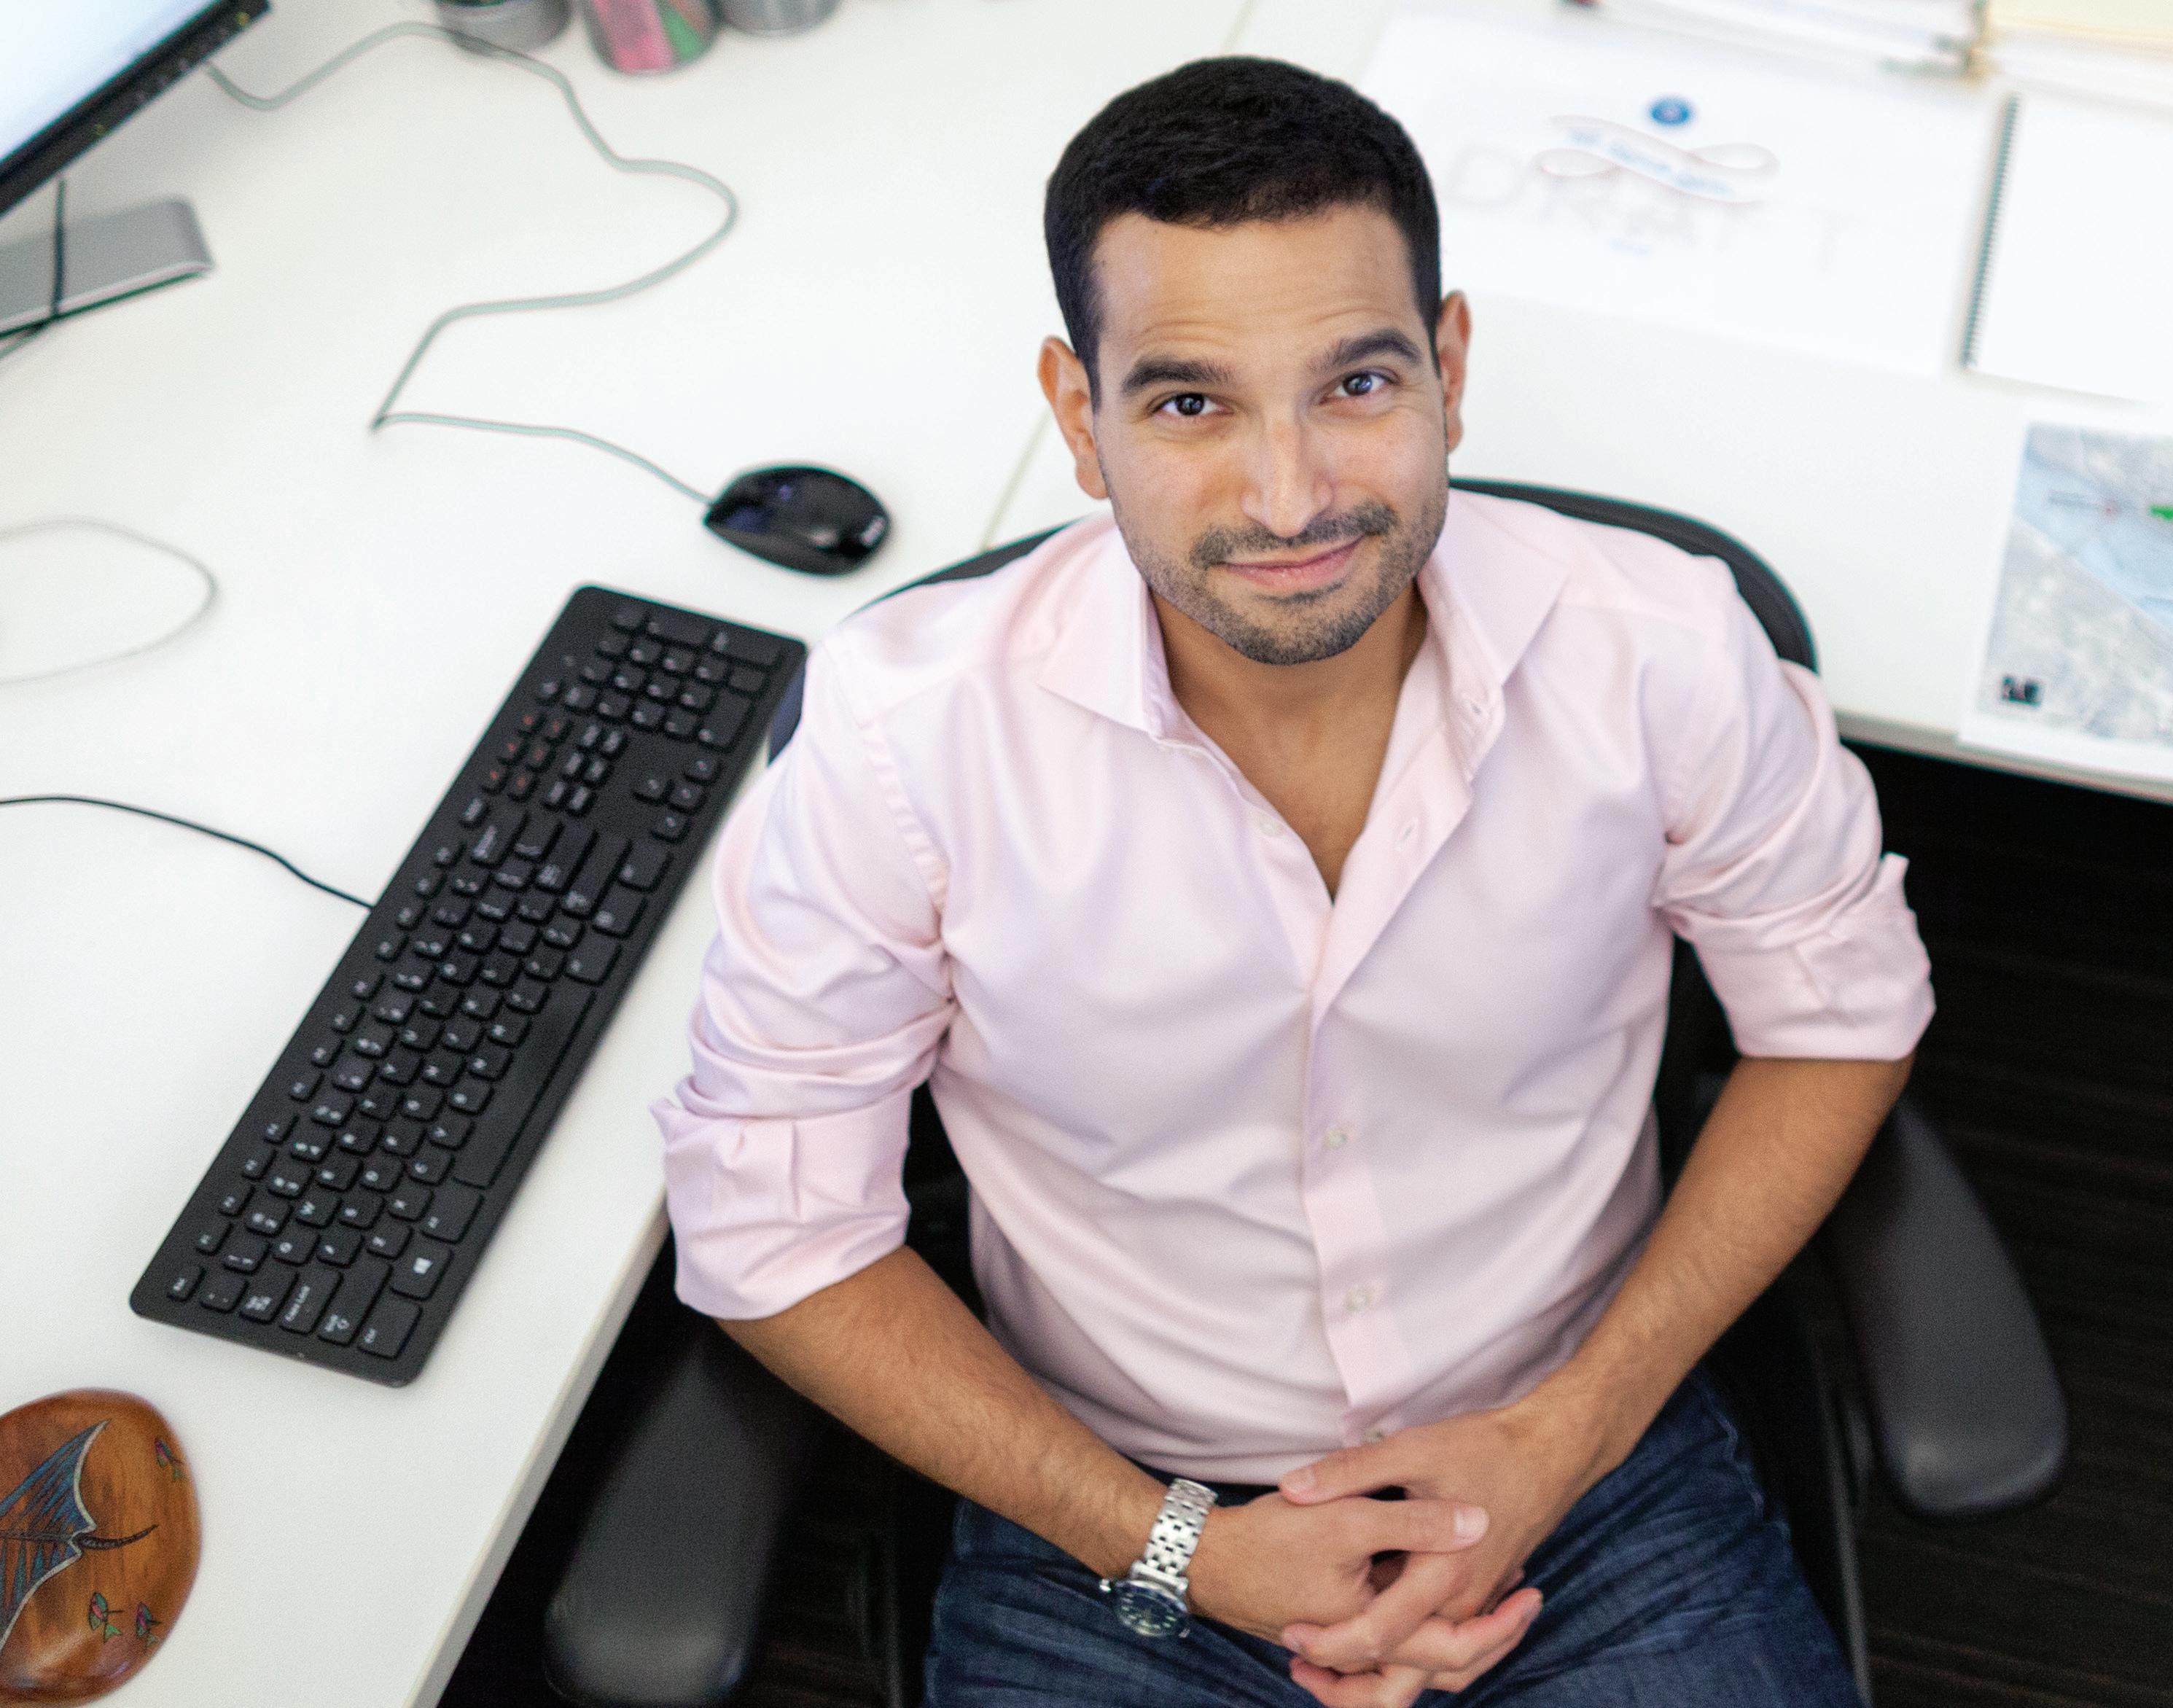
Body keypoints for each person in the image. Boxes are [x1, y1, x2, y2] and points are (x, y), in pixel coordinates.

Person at [654, 55, 1932, 1708]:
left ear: (1449, 369)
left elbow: (1837, 1017)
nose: (1290, 498)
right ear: (1077, 415)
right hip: (1113, 1505)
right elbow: (771, 1223)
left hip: (1576, 1442)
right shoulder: (906, 740)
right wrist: (1181, 1547)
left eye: (1356, 385)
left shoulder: (1660, 650)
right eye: (1191, 405)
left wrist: (1574, 1428)